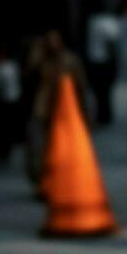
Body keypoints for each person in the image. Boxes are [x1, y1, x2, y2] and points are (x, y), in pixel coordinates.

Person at [24, 29, 90, 196]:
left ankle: (61, 182)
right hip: (43, 109)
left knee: (62, 150)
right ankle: (43, 182)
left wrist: (84, 112)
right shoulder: (40, 59)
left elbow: (81, 87)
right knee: (38, 148)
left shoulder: (70, 61)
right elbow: (28, 79)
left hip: (64, 112)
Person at [84, 0, 123, 126]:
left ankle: (102, 115)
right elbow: (112, 43)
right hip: (104, 61)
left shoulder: (92, 22)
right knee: (104, 90)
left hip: (95, 60)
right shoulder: (106, 22)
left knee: (99, 91)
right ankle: (104, 115)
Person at [0, 43, 22, 168]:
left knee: (6, 127)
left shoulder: (6, 67)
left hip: (8, 101)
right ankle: (5, 150)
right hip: (10, 100)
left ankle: (6, 150)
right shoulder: (11, 66)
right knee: (6, 128)